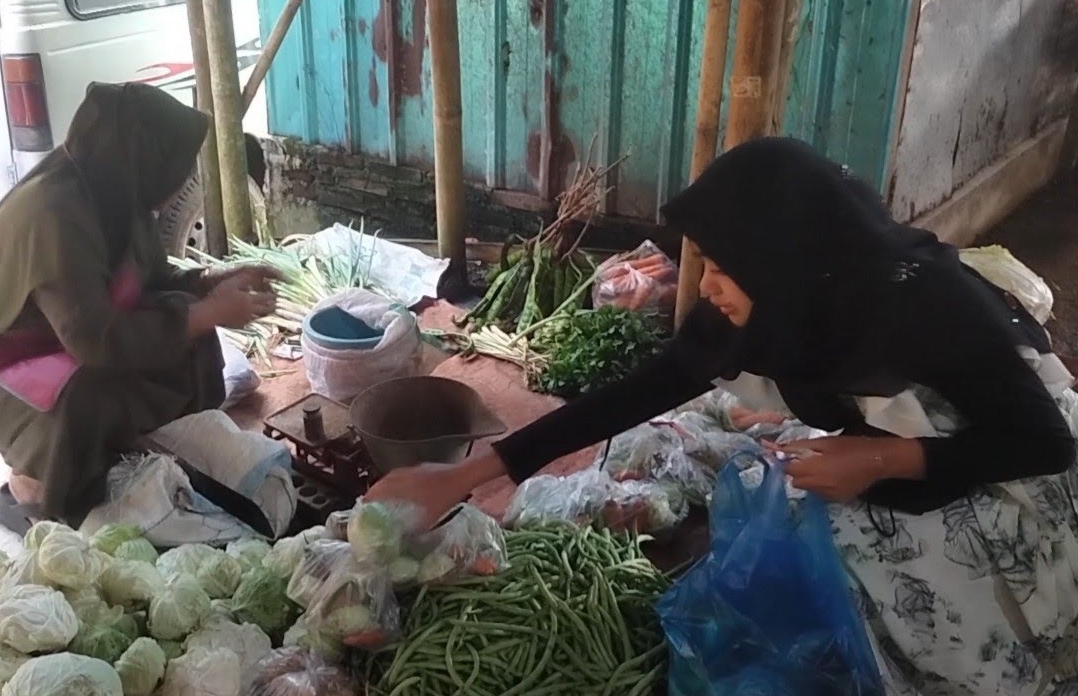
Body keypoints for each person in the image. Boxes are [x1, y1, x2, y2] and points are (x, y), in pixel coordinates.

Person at [367, 138, 1078, 694]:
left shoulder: (930, 304)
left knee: (898, 563)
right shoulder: (786, 289)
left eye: (722, 266)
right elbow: (655, 384)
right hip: (903, 441)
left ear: (785, 262)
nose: (704, 285)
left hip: (1004, 469)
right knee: (827, 542)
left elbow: (1044, 441)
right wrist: (471, 472)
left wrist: (888, 459)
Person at [0, 82, 278, 533]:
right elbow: (95, 340)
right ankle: (45, 493)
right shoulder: (56, 215)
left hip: (67, 341)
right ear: (146, 160)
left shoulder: (116, 192)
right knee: (90, 398)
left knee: (191, 333)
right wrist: (210, 312)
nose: (179, 180)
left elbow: (155, 285)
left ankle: (164, 451)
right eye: (175, 166)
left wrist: (212, 284)